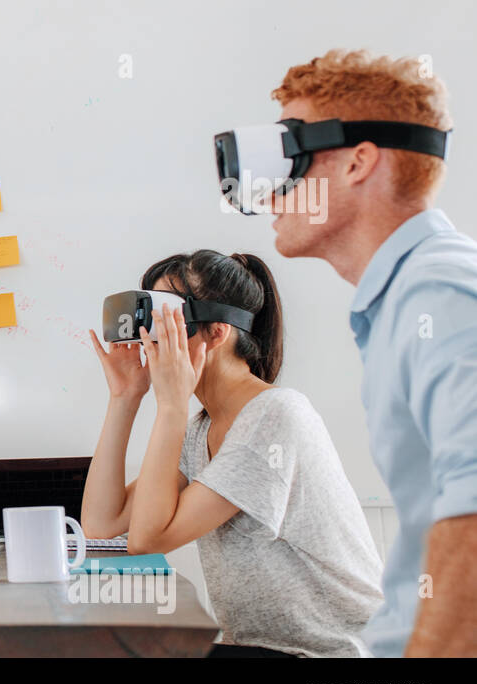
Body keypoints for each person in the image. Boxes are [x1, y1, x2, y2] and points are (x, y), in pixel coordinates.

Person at [263, 50, 477, 656]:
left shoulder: (441, 295)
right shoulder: (401, 301)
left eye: (289, 158)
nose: (266, 190)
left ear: (359, 162)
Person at [81, 250, 383, 657]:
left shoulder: (275, 417)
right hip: (259, 648)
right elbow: (103, 524)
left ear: (217, 332)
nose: (151, 338)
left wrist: (171, 405)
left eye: (167, 321)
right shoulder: (201, 429)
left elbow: (148, 541)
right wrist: (124, 396)